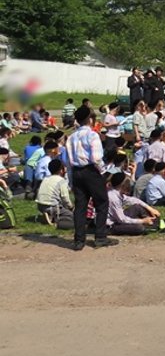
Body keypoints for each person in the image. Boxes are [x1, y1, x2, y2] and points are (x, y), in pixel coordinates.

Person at [65, 106, 115, 250]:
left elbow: (68, 161)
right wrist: (104, 171)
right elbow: (96, 158)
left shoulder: (71, 137)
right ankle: (100, 237)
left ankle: (79, 240)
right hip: (91, 171)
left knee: (80, 205)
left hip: (77, 172)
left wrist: (70, 179)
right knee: (101, 202)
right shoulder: (92, 135)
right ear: (90, 119)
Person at [36, 158, 73, 227]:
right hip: (52, 206)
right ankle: (55, 220)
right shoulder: (61, 181)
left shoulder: (46, 178)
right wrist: (71, 207)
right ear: (61, 170)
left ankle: (48, 215)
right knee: (72, 216)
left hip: (40, 205)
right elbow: (65, 197)